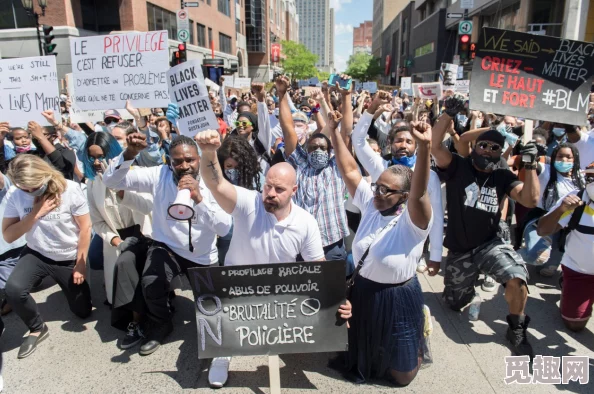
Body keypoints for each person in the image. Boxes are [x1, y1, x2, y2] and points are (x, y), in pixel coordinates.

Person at [196, 128, 325, 388]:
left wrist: (334, 303)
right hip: (235, 287)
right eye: (268, 186)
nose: (270, 194)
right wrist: (208, 152)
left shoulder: (306, 222)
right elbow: (217, 183)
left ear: (294, 190)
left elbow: (317, 269)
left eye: (279, 189)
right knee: (224, 325)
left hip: (277, 293)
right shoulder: (249, 203)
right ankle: (222, 354)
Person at [327, 108, 433, 385]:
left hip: (398, 297)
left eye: (388, 191)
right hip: (363, 291)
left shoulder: (414, 222)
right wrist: (334, 131)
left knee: (402, 376)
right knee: (363, 353)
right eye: (377, 186)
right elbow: (350, 169)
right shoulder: (371, 204)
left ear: (404, 197)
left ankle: (418, 333)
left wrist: (424, 148)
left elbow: (420, 192)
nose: (379, 193)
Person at [430, 95, 540, 360]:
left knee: (517, 280)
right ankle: (466, 288)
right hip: (459, 248)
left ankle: (516, 326)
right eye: (484, 145)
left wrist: (531, 165)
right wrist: (447, 114)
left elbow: (530, 199)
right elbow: (435, 146)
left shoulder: (502, 175)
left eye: (494, 148)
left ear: (501, 153)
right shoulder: (458, 166)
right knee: (454, 303)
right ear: (475, 147)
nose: (488, 150)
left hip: (490, 244)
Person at [102, 133, 231, 356]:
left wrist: (199, 198)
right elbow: (111, 182)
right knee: (151, 282)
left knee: (211, 305)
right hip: (167, 247)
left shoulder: (213, 180)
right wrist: (130, 153)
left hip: (202, 255)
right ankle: (161, 324)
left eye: (189, 160)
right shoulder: (158, 175)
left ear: (198, 159)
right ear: (169, 161)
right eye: (177, 161)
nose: (184, 166)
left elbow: (224, 228)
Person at [2, 155, 92, 359]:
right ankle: (37, 328)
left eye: (32, 187)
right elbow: (9, 235)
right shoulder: (15, 194)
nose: (28, 191)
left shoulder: (69, 189)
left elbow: (85, 227)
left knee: (83, 312)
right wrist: (36, 212)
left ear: (44, 174)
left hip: (68, 257)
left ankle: (61, 280)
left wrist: (80, 264)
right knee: (13, 290)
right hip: (37, 253)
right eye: (23, 188)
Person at [351, 90, 444, 274]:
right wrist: (373, 106)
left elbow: (438, 216)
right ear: (390, 144)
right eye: (398, 141)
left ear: (416, 146)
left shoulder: (429, 176)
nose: (403, 145)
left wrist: (436, 255)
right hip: (379, 243)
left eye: (409, 142)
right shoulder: (381, 167)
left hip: (411, 245)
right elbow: (358, 140)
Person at [81, 132, 153, 332]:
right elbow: (98, 222)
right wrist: (115, 241)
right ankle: (135, 321)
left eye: (101, 156)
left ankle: (139, 320)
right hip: (116, 239)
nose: (97, 162)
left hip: (142, 234)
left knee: (138, 274)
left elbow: (148, 208)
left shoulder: (136, 174)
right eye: (92, 157)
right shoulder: (92, 184)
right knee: (122, 275)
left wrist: (117, 185)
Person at [275, 75, 349, 261]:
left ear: (331, 151)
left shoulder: (336, 168)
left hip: (331, 246)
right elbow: (288, 129)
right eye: (313, 147)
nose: (318, 151)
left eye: (323, 148)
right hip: (300, 246)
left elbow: (346, 132)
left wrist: (346, 96)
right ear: (305, 150)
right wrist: (281, 94)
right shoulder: (299, 164)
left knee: (331, 290)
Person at [537, 165, 594, 332]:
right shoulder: (576, 198)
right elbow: (542, 230)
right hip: (580, 271)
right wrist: (562, 209)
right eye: (590, 178)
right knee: (574, 324)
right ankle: (567, 285)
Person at [519, 143, 583, 276]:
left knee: (547, 271)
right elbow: (529, 164)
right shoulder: (545, 170)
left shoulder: (581, 178)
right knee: (536, 258)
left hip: (566, 227)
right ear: (553, 158)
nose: (564, 160)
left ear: (575, 159)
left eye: (568, 157)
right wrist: (528, 155)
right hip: (542, 221)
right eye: (560, 157)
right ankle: (510, 256)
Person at [215, 135, 263, 265]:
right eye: (229, 166)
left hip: (251, 238)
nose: (234, 171)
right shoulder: (216, 183)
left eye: (239, 167)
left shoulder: (258, 180)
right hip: (226, 240)